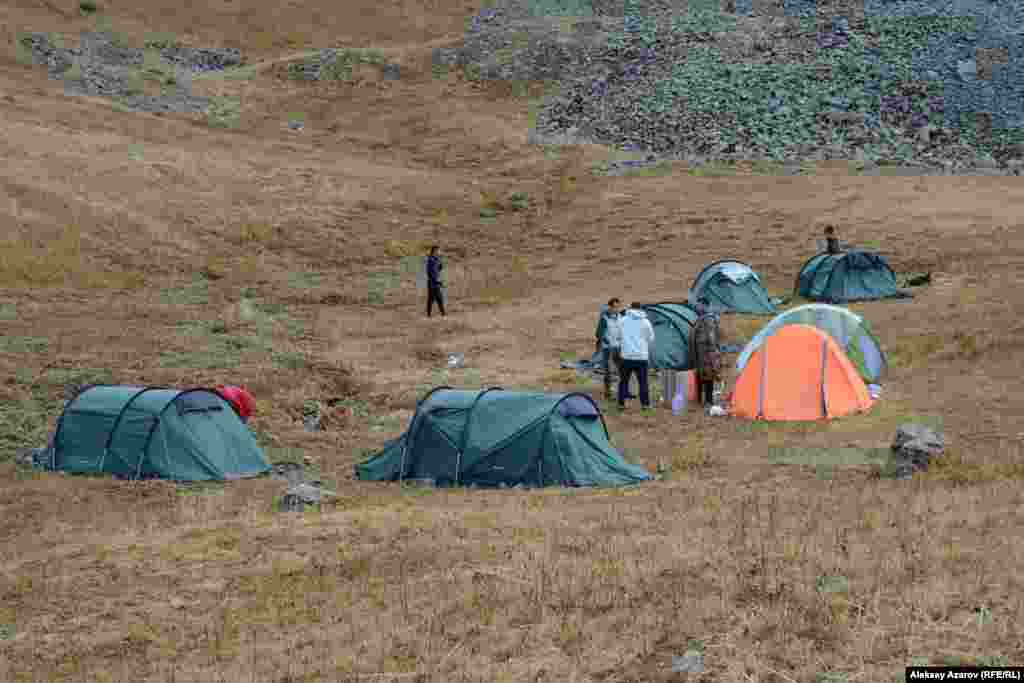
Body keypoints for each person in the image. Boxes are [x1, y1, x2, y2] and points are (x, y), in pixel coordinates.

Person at [618, 302, 655, 410]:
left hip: (626, 356)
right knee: (643, 382)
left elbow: (618, 336)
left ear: (630, 308)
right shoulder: (645, 322)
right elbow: (651, 338)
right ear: (640, 309)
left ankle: (621, 404)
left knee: (623, 381)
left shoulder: (623, 320)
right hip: (641, 357)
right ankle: (645, 405)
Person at [689, 297, 722, 409]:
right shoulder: (701, 318)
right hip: (699, 352)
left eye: (699, 305)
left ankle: (708, 400)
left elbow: (712, 337)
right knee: (699, 375)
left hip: (707, 353)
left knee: (708, 376)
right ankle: (699, 399)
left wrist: (712, 354)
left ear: (704, 305)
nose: (697, 307)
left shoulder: (709, 320)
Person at [595, 298, 624, 400]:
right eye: (615, 307)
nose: (617, 309)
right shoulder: (604, 318)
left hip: (619, 347)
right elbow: (598, 333)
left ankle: (624, 390)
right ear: (610, 307)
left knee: (623, 370)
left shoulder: (621, 317)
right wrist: (606, 341)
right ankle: (608, 393)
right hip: (608, 349)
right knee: (608, 371)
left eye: (618, 307)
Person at [425, 245, 446, 317]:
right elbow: (431, 272)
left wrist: (440, 263)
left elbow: (439, 269)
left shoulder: (435, 259)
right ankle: (443, 314)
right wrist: (438, 281)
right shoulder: (431, 260)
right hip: (433, 283)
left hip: (433, 282)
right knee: (438, 298)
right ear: (435, 251)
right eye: (438, 251)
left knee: (431, 299)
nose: (439, 252)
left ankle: (429, 315)